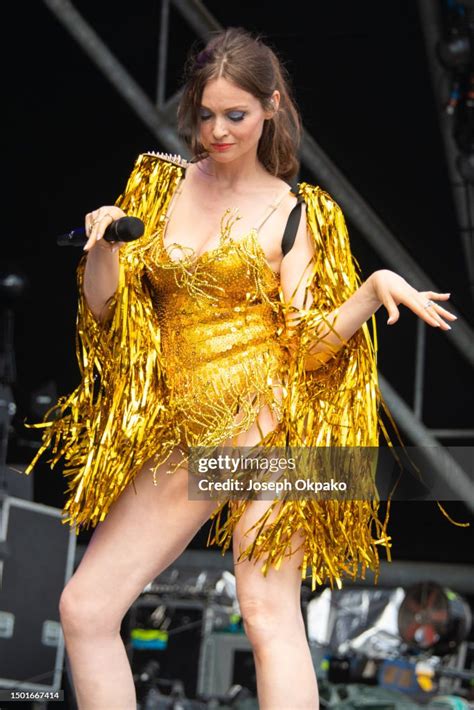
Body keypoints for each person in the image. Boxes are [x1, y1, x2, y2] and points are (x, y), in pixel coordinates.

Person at [25, 27, 457, 710]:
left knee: (263, 614)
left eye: (237, 115)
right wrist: (103, 244)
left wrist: (372, 289)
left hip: (259, 423)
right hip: (181, 423)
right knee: (92, 609)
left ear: (271, 108)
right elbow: (107, 311)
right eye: (206, 114)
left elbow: (309, 344)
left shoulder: (294, 213)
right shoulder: (157, 186)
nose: (219, 130)